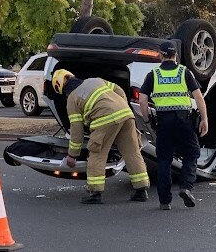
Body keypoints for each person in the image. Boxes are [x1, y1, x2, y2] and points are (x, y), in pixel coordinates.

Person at [51, 69, 150, 204]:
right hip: (126, 115)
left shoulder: (72, 99)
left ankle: (95, 193)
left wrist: (72, 155)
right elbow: (119, 90)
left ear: (61, 88)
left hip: (104, 120)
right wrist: (122, 107)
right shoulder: (95, 80)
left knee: (97, 154)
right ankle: (141, 190)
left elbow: (76, 130)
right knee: (132, 152)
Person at [139, 41, 208, 210]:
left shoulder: (153, 74)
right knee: (192, 153)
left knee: (164, 160)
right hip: (184, 121)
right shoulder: (184, 72)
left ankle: (164, 201)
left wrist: (148, 120)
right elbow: (199, 97)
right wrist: (205, 119)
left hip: (163, 121)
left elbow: (142, 100)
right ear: (175, 55)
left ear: (160, 55)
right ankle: (186, 187)